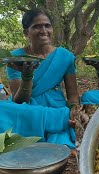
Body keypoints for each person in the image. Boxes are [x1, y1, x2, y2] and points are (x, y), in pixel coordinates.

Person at [2, 8, 79, 148]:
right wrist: (27, 77)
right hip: (26, 109)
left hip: (54, 106)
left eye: (47, 25)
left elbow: (73, 96)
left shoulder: (65, 57)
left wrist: (74, 110)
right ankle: (56, 121)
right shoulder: (15, 58)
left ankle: (55, 121)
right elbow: (19, 101)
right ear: (26, 33)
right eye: (36, 26)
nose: (43, 30)